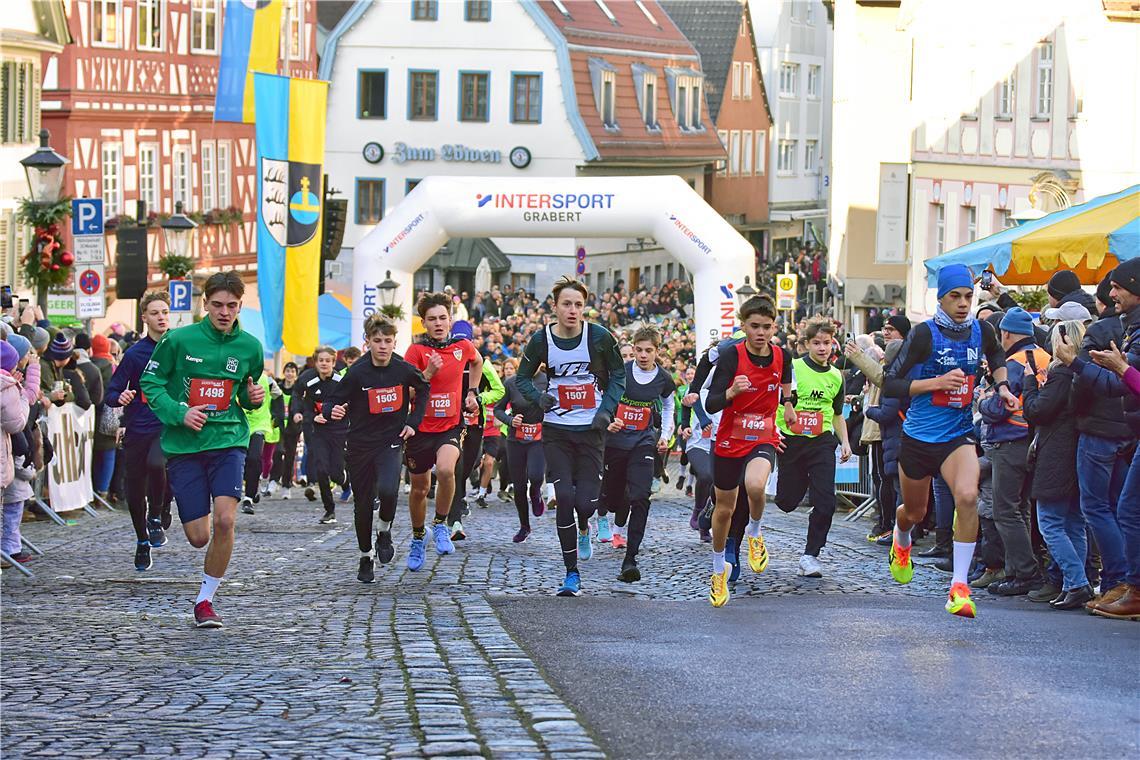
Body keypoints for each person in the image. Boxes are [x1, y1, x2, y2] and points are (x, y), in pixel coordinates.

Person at [882, 264, 1017, 619]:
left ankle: (959, 586)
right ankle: (901, 538)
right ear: (940, 298)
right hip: (918, 436)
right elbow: (890, 383)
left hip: (957, 435)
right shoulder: (924, 335)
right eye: (954, 297)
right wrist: (934, 384)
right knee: (914, 512)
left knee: (968, 497)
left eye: (968, 297)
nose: (962, 303)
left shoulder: (982, 330)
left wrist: (1002, 387)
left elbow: (998, 358)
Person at [140, 272, 265, 628]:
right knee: (199, 537)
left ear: (241, 305)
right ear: (205, 304)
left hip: (228, 440)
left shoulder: (251, 347)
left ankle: (205, 601)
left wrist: (251, 398)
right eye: (217, 305)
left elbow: (245, 391)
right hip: (185, 446)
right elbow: (151, 381)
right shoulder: (179, 340)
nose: (224, 312)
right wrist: (180, 412)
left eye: (232, 306)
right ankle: (203, 572)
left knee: (226, 520)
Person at [515, 276, 625, 597]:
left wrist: (607, 409)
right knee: (563, 498)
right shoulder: (541, 341)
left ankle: (584, 525)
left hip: (591, 431)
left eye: (578, 304)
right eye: (566, 304)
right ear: (555, 307)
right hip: (556, 431)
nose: (573, 310)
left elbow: (619, 374)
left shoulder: (600, 337)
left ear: (584, 308)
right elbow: (522, 378)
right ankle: (571, 573)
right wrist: (538, 399)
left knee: (585, 503)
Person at [704, 295, 793, 607]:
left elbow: (786, 385)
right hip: (729, 439)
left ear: (774, 327)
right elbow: (711, 402)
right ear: (743, 326)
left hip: (762, 437)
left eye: (767, 327)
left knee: (755, 485)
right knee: (724, 509)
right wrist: (731, 391)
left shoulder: (783, 355)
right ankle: (718, 570)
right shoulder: (731, 355)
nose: (761, 333)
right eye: (754, 326)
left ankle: (754, 532)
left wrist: (789, 406)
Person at [1063, 259, 1140, 620]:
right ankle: (1124, 585)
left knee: (1108, 508)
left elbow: (1115, 383)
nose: (1111, 294)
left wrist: (1077, 365)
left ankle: (1122, 583)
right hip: (1127, 432)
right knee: (1121, 508)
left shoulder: (1112, 331)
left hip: (1101, 431)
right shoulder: (1125, 327)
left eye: (1117, 287)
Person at [327, 315, 428, 582]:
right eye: (377, 341)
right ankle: (365, 556)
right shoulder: (357, 372)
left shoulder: (403, 369)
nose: (383, 346)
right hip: (360, 445)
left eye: (388, 341)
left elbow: (424, 388)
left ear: (395, 342)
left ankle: (384, 530)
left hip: (390, 441)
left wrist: (413, 422)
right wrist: (333, 410)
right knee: (362, 505)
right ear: (367, 342)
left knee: (387, 490)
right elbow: (333, 401)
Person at [403, 293, 483, 567]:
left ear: (450, 320)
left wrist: (471, 391)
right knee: (419, 488)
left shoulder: (462, 346)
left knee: (447, 469)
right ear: (423, 323)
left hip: (449, 425)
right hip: (420, 429)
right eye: (432, 319)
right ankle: (417, 537)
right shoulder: (416, 352)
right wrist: (426, 375)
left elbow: (478, 361)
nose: (438, 324)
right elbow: (407, 391)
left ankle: (440, 523)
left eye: (442, 318)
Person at [1022, 319, 1094, 610]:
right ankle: (1076, 583)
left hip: (1057, 453)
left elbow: (1037, 410)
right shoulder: (1081, 372)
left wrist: (1029, 382)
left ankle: (1076, 583)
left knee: (1051, 522)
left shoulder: (1062, 374)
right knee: (1073, 522)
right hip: (1074, 451)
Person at [977, 307, 1049, 596]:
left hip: (1010, 440)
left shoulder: (1013, 363)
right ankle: (1019, 571)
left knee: (1006, 511)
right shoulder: (1045, 356)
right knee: (1022, 509)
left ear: (1005, 334)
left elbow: (997, 408)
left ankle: (1024, 574)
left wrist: (982, 400)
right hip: (1035, 440)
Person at [774, 317, 851, 577]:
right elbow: (775, 402)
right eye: (816, 343)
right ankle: (803, 480)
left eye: (826, 343)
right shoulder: (793, 369)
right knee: (786, 502)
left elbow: (837, 413)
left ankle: (811, 555)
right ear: (806, 344)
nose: (822, 348)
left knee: (826, 502)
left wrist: (845, 443)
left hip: (821, 442)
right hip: (791, 441)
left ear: (832, 344)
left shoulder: (836, 376)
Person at [600, 326, 675, 582]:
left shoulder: (663, 378)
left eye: (649, 351)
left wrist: (664, 434)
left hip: (643, 442)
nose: (643, 355)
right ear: (632, 349)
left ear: (657, 351)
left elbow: (667, 406)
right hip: (615, 443)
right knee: (612, 498)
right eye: (639, 350)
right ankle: (608, 516)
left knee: (641, 496)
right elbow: (604, 397)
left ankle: (630, 559)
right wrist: (609, 419)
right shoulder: (620, 372)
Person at [105, 290, 174, 570]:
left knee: (157, 464)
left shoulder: (178, 348)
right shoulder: (134, 354)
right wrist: (119, 398)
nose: (161, 317)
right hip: (137, 427)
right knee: (134, 489)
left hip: (165, 425)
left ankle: (156, 516)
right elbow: (111, 391)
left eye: (165, 312)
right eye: (155, 313)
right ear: (144, 317)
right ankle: (142, 540)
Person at [447, 320, 504, 541]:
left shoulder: (482, 363)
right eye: (456, 340)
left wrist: (480, 399)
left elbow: (498, 390)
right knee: (454, 468)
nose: (461, 345)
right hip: (450, 424)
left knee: (467, 467)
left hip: (474, 425)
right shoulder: (447, 359)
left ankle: (457, 501)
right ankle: (453, 520)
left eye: (465, 341)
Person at [494, 361, 547, 543]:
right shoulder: (511, 382)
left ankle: (536, 492)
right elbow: (498, 409)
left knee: (536, 475)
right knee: (518, 485)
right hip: (516, 439)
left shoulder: (547, 381)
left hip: (538, 438)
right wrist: (510, 420)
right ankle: (524, 526)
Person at [295, 346, 349, 524]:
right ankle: (329, 510)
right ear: (316, 363)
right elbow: (302, 401)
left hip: (339, 430)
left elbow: (353, 401)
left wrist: (343, 411)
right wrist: (310, 416)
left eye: (328, 361)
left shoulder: (341, 381)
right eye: (321, 361)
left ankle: (344, 479)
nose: (324, 364)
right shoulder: (307, 380)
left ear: (334, 363)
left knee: (336, 474)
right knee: (321, 469)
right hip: (318, 431)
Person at [239, 373, 279, 515]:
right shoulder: (236, 375)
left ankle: (248, 498)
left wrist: (277, 416)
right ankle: (252, 486)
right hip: (239, 425)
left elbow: (278, 396)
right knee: (242, 460)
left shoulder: (267, 380)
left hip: (259, 425)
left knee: (254, 458)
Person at [273, 362, 302, 498]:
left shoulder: (299, 390)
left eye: (293, 371)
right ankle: (273, 480)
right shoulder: (277, 387)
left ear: (296, 374)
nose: (290, 374)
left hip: (293, 427)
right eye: (288, 371)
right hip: (278, 426)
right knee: (278, 452)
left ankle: (286, 485)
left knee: (290, 456)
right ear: (284, 372)